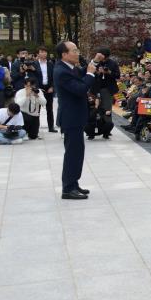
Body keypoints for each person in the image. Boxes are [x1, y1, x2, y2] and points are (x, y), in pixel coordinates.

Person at [53, 41, 96, 200]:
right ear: (64, 54)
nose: (78, 52)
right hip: (71, 118)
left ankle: (73, 183)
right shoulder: (61, 71)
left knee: (77, 153)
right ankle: (68, 188)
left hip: (76, 117)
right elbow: (80, 89)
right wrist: (90, 74)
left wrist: (94, 63)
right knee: (72, 153)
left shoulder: (69, 68)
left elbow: (81, 73)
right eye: (74, 50)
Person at [35, 46, 56, 132]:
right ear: (38, 54)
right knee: (37, 109)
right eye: (42, 52)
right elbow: (34, 76)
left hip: (48, 88)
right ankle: (36, 128)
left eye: (45, 52)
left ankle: (51, 127)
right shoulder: (35, 64)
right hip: (39, 88)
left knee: (49, 109)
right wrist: (36, 88)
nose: (44, 53)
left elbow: (54, 76)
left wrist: (52, 86)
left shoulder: (50, 64)